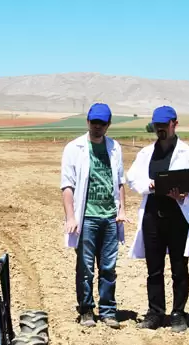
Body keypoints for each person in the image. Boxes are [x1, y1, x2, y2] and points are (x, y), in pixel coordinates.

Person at [126, 106, 189, 333]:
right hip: (152, 215)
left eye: (164, 125)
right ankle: (155, 313)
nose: (160, 129)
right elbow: (132, 178)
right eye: (156, 125)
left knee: (179, 267)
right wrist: (149, 185)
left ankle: (178, 314)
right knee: (154, 268)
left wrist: (183, 195)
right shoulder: (146, 153)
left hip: (178, 216)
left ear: (174, 124)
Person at [60, 103, 126, 329]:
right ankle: (86, 309)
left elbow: (120, 181)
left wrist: (122, 210)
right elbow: (67, 185)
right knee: (85, 267)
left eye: (102, 123)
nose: (97, 127)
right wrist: (71, 217)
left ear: (108, 125)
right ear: (88, 122)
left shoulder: (115, 147)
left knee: (108, 267)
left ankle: (108, 311)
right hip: (86, 218)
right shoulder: (74, 148)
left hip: (110, 217)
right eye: (94, 122)